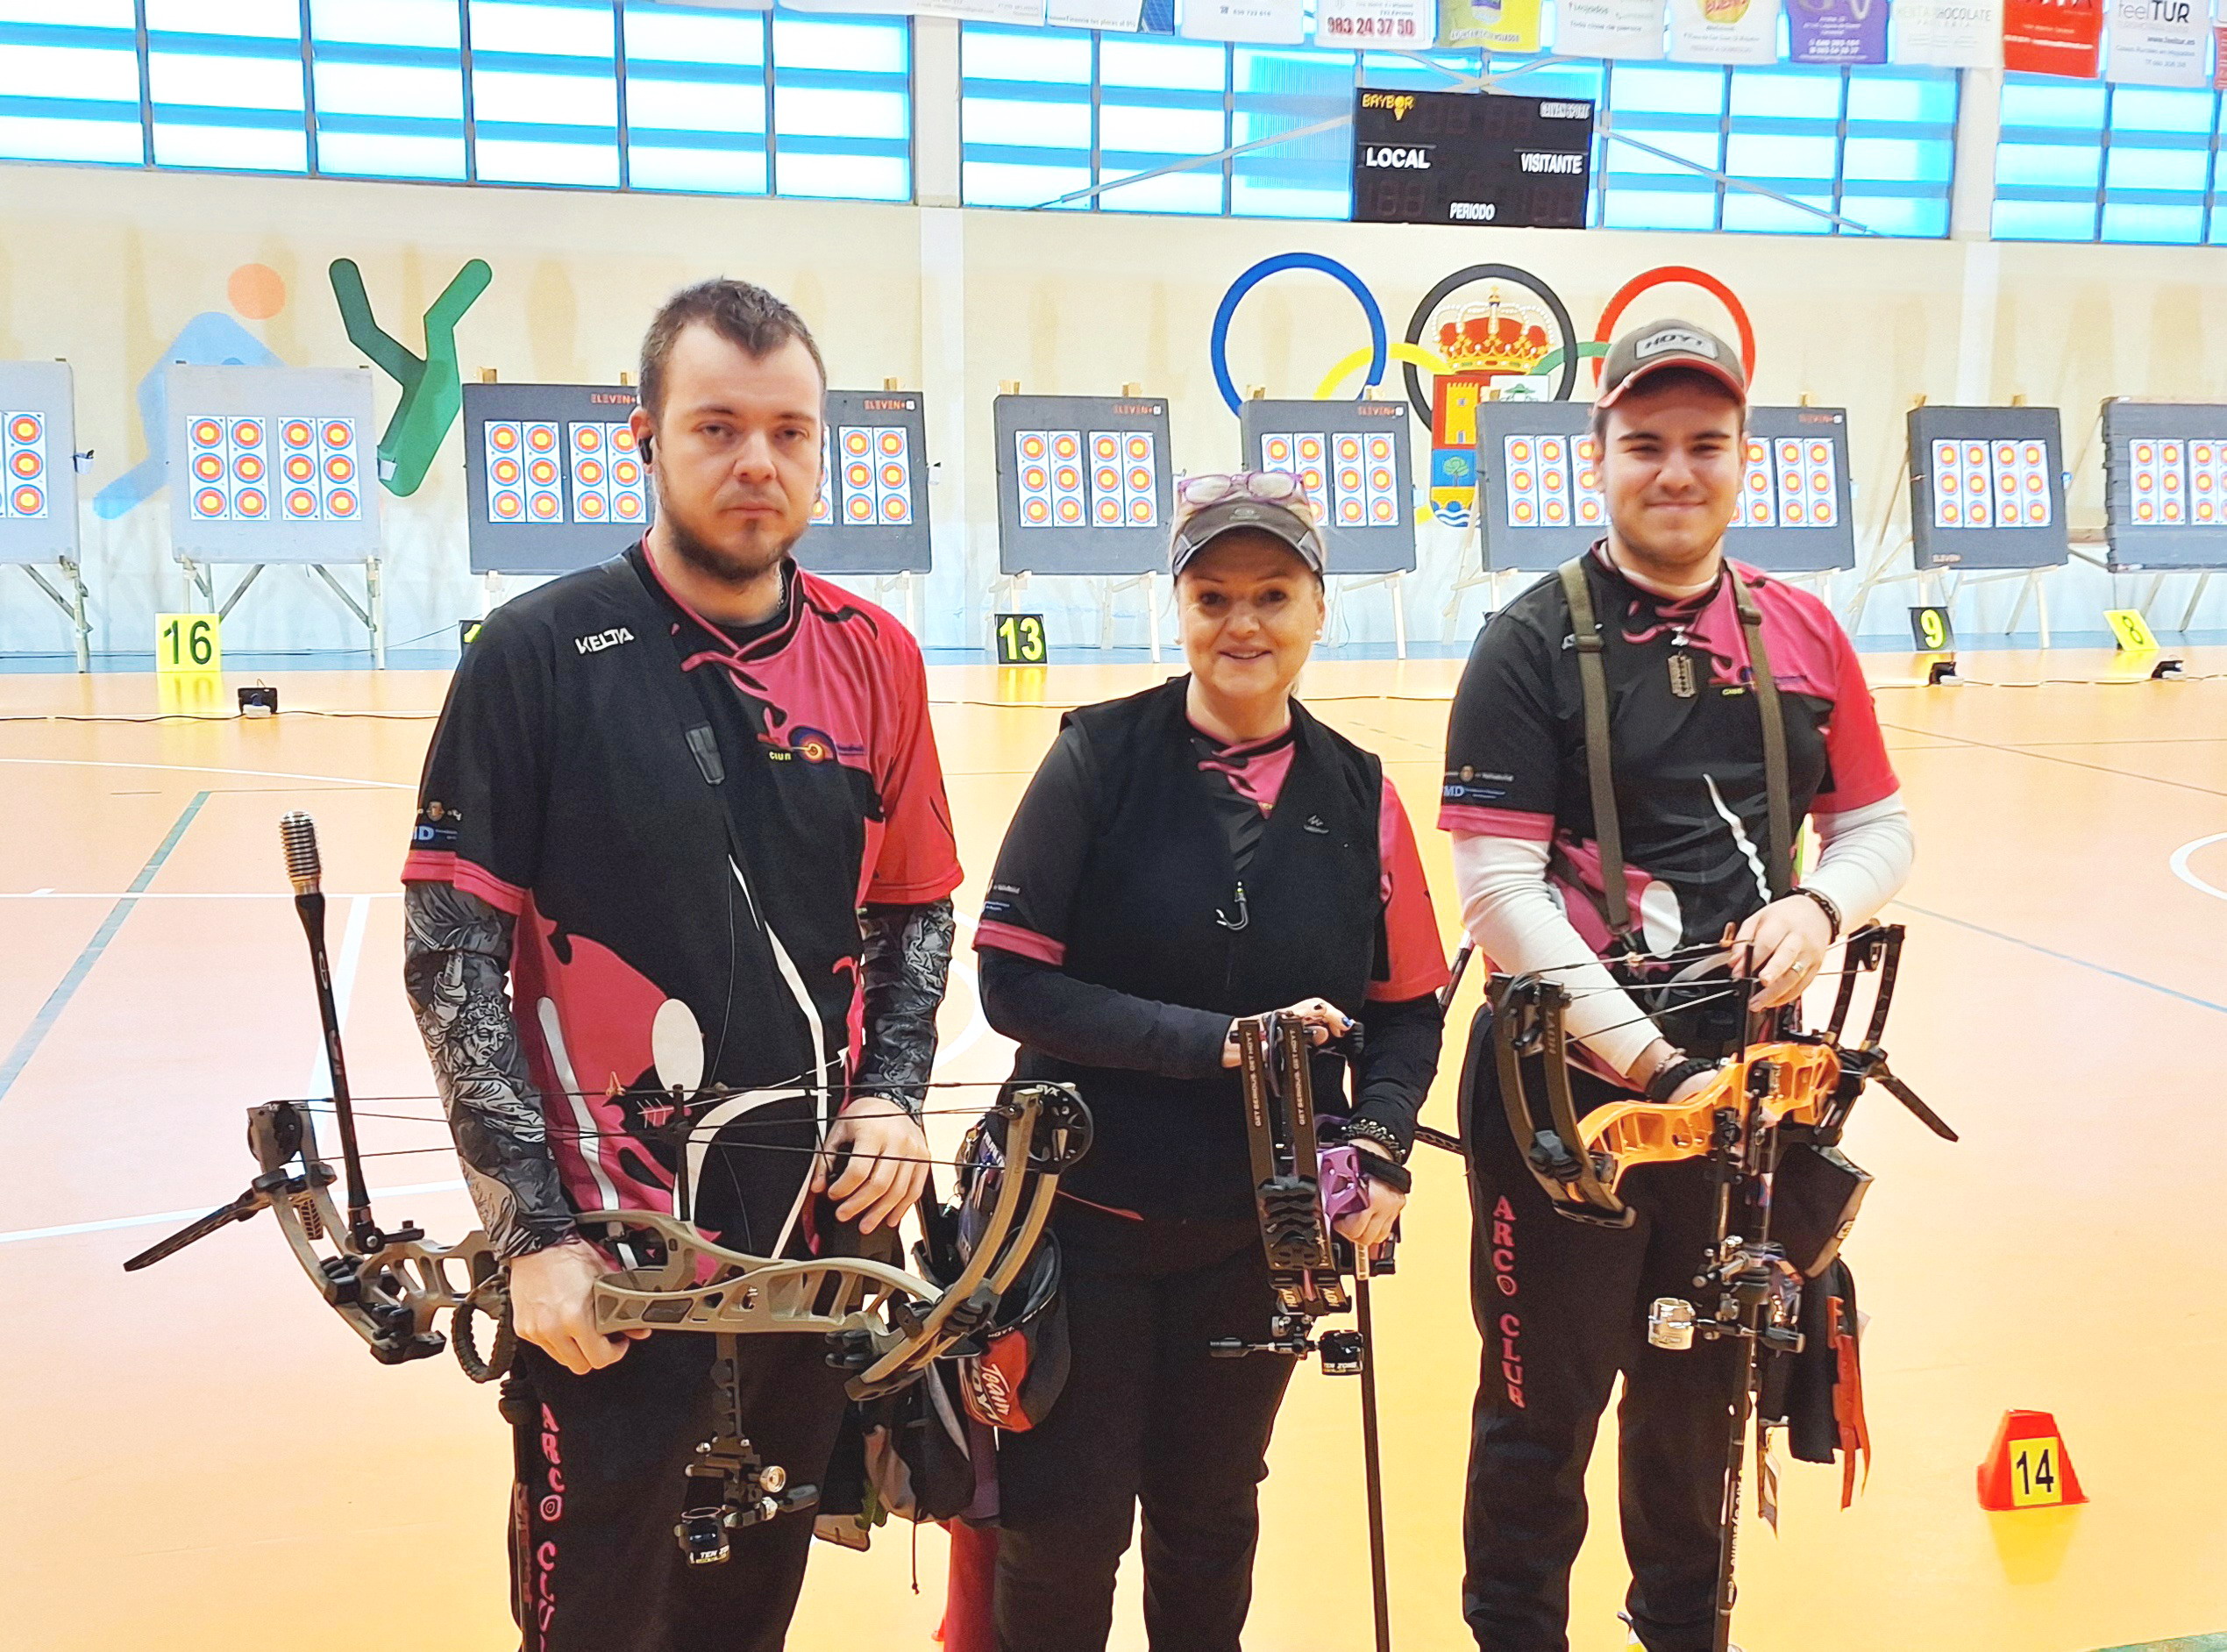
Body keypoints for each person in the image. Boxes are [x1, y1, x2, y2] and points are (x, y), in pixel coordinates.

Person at [401, 278, 962, 1652]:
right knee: (591, 1611)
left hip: (801, 1252)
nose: (756, 462)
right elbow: (452, 954)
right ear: (644, 440)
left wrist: (888, 1091)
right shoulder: (539, 654)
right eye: (715, 427)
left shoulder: (872, 657)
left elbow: (914, 912)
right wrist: (532, 1235)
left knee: (745, 1609)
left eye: (789, 431)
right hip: (613, 1262)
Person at [1440, 322, 1915, 1652]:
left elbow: (1881, 827)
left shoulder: (1806, 631)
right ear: (1597, 459)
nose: (1676, 472)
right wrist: (1654, 1065)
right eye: (1644, 444)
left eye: (1706, 445)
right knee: (1542, 1414)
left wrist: (1822, 904)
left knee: (1702, 1403)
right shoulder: (1526, 646)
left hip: (1747, 1097)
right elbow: (1498, 896)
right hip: (1569, 1103)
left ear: (1743, 459)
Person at [972, 474, 1451, 1652]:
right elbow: (1012, 983)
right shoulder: (1095, 761)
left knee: (1210, 1516)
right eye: (1214, 594)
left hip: (1257, 1236)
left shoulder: (1363, 793)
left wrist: (1381, 1146)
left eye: (1273, 594)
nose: (1244, 623)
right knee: (1064, 1531)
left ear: (1317, 609)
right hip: (1077, 1224)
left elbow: (1408, 1012)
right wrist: (1222, 1046)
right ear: (1177, 606)